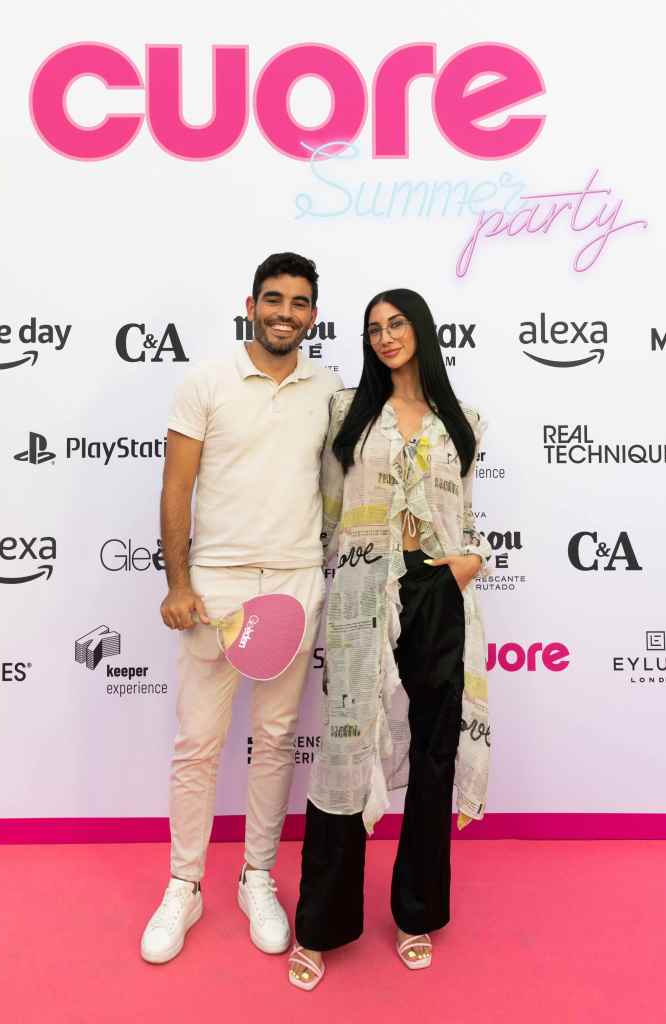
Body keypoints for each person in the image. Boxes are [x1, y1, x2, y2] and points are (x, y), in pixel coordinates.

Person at [141, 253, 342, 964]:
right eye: (273, 299)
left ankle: (257, 876)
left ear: (312, 314)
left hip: (294, 579)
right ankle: (184, 884)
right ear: (251, 306)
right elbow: (176, 487)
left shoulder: (328, 389)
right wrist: (178, 583)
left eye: (299, 302)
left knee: (277, 738)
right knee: (198, 742)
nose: (286, 313)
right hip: (216, 587)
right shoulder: (206, 380)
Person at [288, 288, 492, 990]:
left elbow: (465, 510)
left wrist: (467, 560)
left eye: (396, 323)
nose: (384, 337)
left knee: (434, 752)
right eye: (373, 328)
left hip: (436, 589)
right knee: (344, 749)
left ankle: (416, 915)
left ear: (421, 330)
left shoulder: (462, 421)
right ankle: (321, 925)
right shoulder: (347, 412)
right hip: (360, 591)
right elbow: (327, 512)